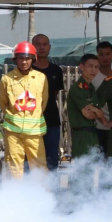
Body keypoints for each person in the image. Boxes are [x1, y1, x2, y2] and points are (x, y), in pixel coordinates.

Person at [0, 42, 49, 178]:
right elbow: (3, 103)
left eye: (27, 58)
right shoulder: (6, 79)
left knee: (39, 166)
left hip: (34, 132)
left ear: (33, 59)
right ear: (15, 59)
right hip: (13, 132)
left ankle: (41, 197)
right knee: (14, 167)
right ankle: (15, 197)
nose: (24, 61)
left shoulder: (41, 78)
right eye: (21, 58)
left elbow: (43, 102)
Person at [31, 34, 65, 170]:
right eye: (38, 44)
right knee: (32, 161)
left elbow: (54, 94)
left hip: (51, 121)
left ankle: (51, 190)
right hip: (30, 122)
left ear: (49, 47)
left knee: (51, 160)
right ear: (32, 47)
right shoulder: (27, 69)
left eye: (45, 44)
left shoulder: (56, 70)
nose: (41, 47)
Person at [66, 53, 106, 158]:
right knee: (83, 169)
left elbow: (100, 112)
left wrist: (96, 111)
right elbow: (88, 115)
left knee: (91, 169)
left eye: (96, 67)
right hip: (82, 135)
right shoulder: (78, 88)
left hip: (92, 133)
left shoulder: (90, 87)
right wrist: (97, 112)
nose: (93, 70)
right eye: (90, 66)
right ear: (82, 67)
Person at [92, 41, 112, 154]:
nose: (105, 57)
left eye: (107, 54)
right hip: (98, 128)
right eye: (101, 54)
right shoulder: (92, 77)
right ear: (97, 56)